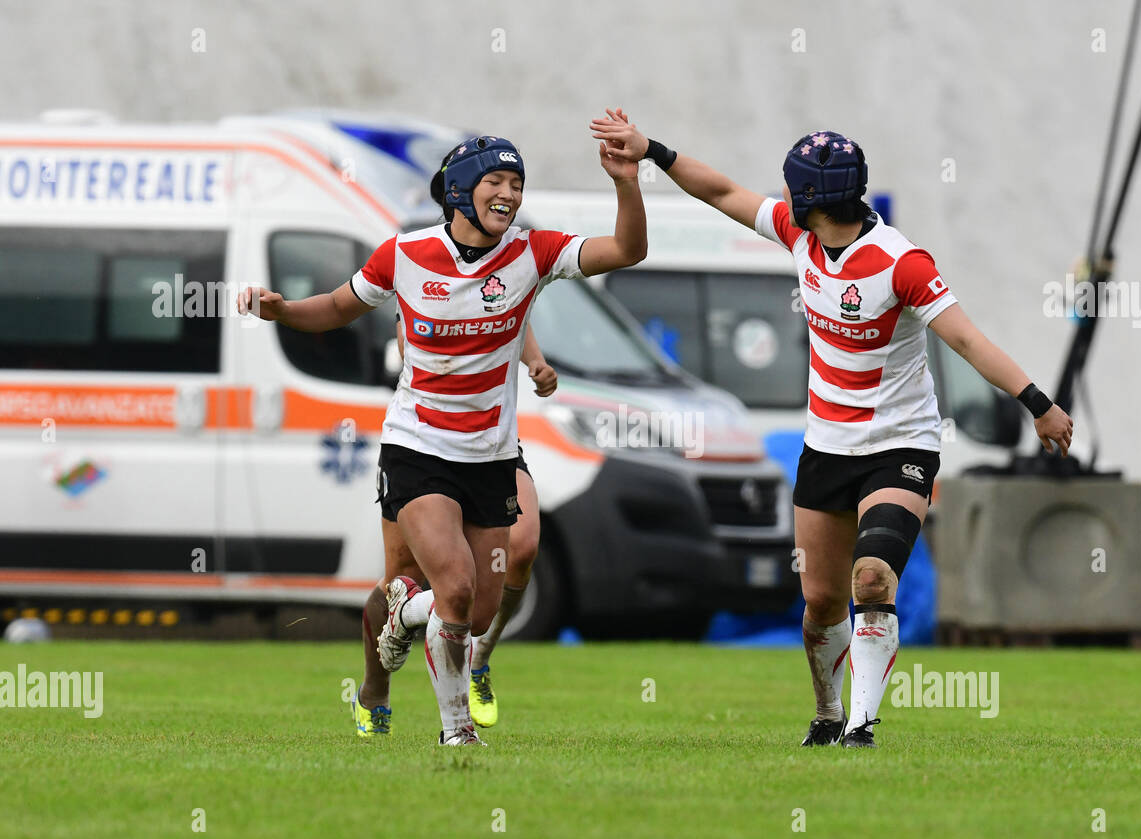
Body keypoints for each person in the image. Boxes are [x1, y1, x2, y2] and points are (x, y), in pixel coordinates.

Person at [591, 111, 1072, 749]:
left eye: (791, 187)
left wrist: (1036, 401)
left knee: (872, 579)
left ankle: (862, 726)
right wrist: (651, 150)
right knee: (819, 603)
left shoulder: (901, 262)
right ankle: (827, 711)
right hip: (827, 448)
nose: (782, 196)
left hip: (901, 446)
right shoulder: (800, 234)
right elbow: (721, 191)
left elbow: (966, 338)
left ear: (811, 197)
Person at [239, 128, 646, 746]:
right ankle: (450, 730)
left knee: (476, 610)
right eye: (496, 182)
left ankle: (405, 617)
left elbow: (627, 250)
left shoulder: (532, 253)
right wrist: (284, 311)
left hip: (490, 456)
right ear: (459, 191)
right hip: (417, 448)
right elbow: (338, 306)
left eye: (516, 184)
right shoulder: (403, 253)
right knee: (450, 588)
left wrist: (625, 182)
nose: (509, 194)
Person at [351, 319, 556, 737]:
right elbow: (405, 336)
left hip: (491, 444)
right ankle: (374, 691)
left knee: (522, 546)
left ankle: (478, 658)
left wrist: (535, 361)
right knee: (402, 577)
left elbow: (516, 306)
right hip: (424, 445)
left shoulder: (507, 262)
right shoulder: (420, 261)